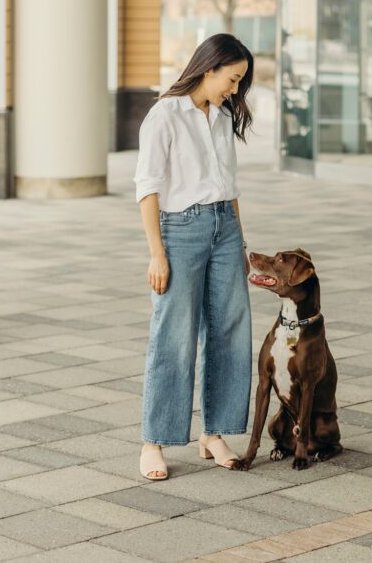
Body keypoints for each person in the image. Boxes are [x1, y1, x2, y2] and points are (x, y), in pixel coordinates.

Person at [133, 33, 254, 480]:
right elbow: (147, 187)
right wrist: (156, 254)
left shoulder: (221, 117)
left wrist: (239, 244)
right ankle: (154, 440)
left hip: (226, 228)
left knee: (230, 329)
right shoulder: (164, 115)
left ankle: (215, 431)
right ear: (209, 68)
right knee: (174, 335)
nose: (235, 89)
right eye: (233, 78)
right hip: (180, 231)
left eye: (241, 82)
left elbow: (231, 187)